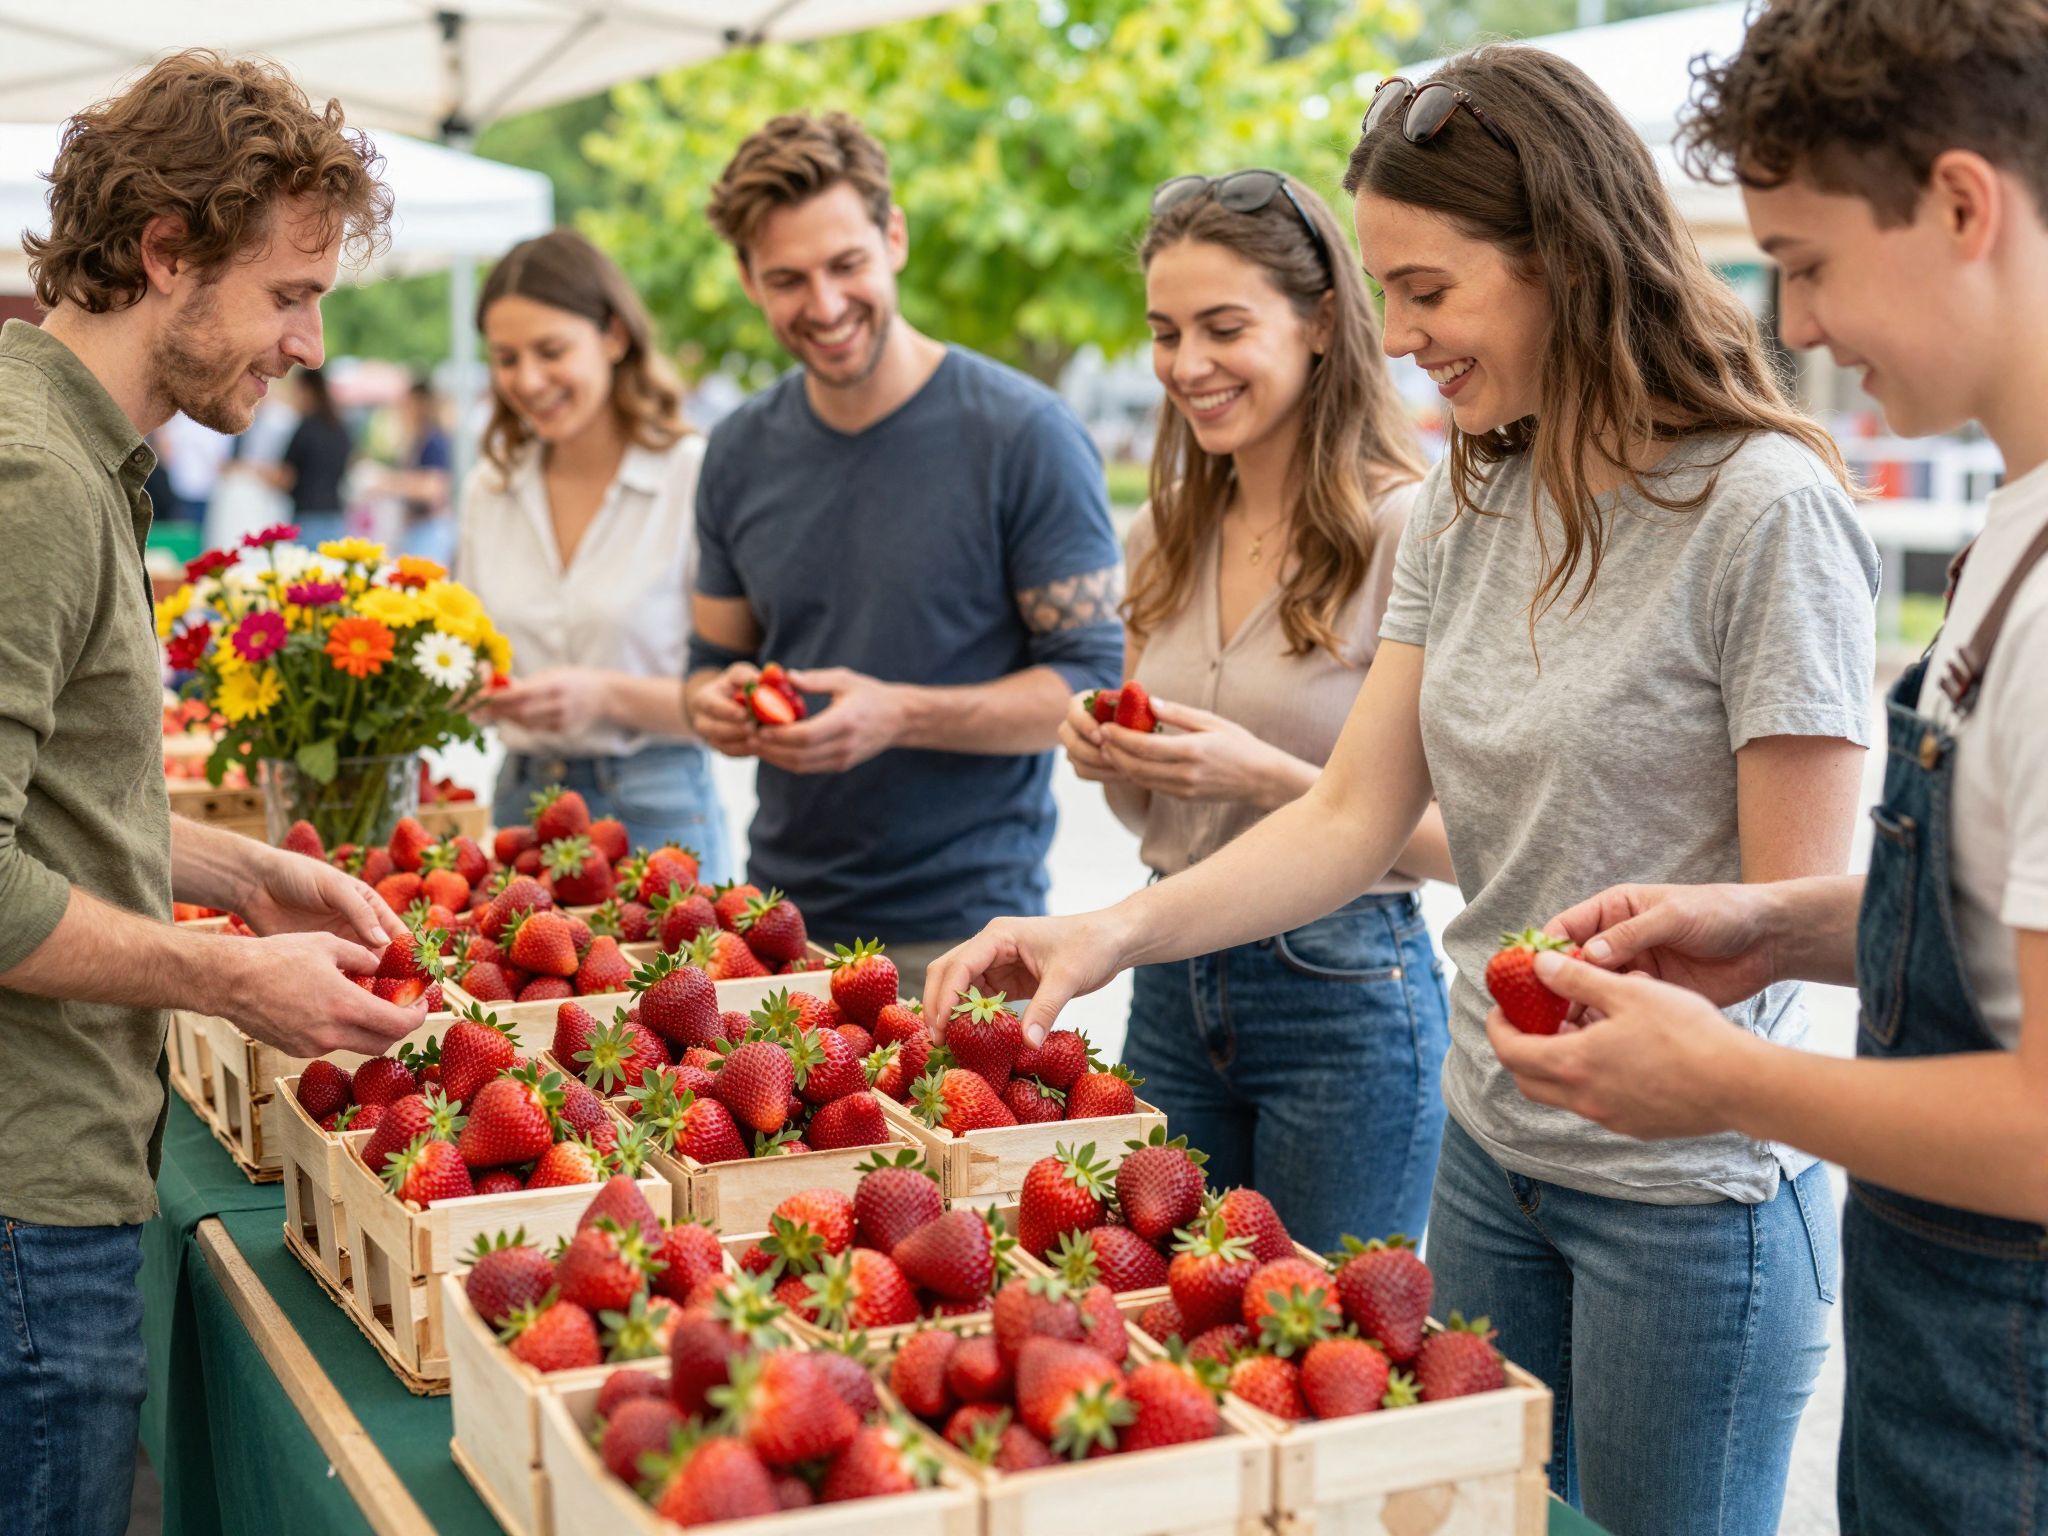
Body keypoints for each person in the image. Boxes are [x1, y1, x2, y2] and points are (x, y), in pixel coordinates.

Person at [929, 46, 1880, 1536]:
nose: (1405, 337)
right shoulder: (1467, 499)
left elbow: (1790, 921)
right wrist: (1104, 935)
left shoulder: (1764, 509)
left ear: (1563, 256)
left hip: (1692, 1205)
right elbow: (1349, 815)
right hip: (1494, 1151)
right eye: (1388, 297)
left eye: (1431, 291)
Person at [1478, 4, 2048, 1531]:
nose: (1792, 324)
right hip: (1942, 1356)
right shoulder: (2014, 528)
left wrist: (1730, 1080)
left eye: (1804, 260)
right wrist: (1784, 927)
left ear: (1961, 205)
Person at [2, 51, 425, 1535]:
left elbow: (45, 797)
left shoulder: (70, 447)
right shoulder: (34, 480)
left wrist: (241, 877)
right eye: (291, 292)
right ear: (167, 252)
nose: (310, 340)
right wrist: (230, 980)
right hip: (24, 1201)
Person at [1066, 169, 1454, 1250]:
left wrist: (1268, 777)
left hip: (1342, 988)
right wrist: (1111, 759)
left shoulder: (1409, 532)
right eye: (1164, 331)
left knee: (1316, 1339)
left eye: (1222, 326)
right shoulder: (1162, 534)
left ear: (1322, 321)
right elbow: (1149, 823)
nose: (1185, 364)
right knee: (1165, 1332)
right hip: (1167, 968)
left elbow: (1466, 844)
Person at [682, 112, 1122, 969]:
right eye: (787, 279)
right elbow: (709, 657)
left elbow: (1093, 685)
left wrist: (900, 714)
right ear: (746, 280)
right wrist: (712, 699)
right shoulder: (736, 449)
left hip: (968, 933)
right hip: (781, 929)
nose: (825, 304)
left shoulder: (1025, 433)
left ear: (895, 237)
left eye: (847, 264)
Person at [458, 228, 731, 874]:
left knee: (679, 977)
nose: (527, 379)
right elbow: (468, 650)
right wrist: (470, 689)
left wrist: (602, 696)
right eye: (505, 358)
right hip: (523, 798)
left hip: (656, 803)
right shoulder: (490, 489)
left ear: (613, 336)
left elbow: (733, 696)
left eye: (551, 351)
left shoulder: (693, 475)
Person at [270, 365, 354, 543]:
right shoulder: (341, 428)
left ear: (306, 390)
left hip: (307, 518)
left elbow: (284, 478)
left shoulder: (305, 428)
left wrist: (254, 473)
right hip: (336, 517)